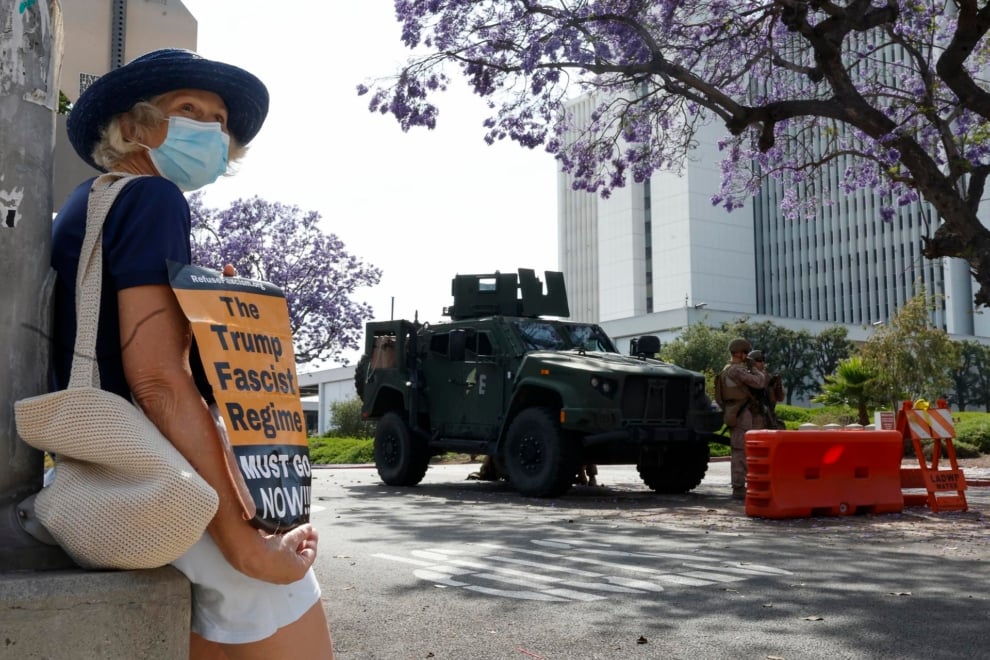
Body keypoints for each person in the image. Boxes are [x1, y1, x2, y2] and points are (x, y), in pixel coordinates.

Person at [53, 49, 334, 659]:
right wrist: (245, 542)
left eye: (219, 119)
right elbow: (155, 379)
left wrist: (214, 312)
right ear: (132, 126)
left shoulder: (88, 203)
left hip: (114, 465)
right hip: (156, 468)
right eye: (189, 110)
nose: (211, 128)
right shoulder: (153, 200)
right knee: (276, 599)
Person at [714, 338, 769, 500]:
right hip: (741, 414)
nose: (747, 356)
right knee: (741, 452)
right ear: (740, 353)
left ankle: (740, 487)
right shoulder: (736, 370)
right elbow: (760, 382)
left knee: (740, 451)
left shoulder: (726, 370)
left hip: (735, 412)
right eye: (745, 352)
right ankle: (738, 488)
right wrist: (754, 368)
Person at [747, 350, 786, 429]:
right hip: (753, 417)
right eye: (759, 360)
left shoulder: (768, 377)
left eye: (763, 360)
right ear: (751, 362)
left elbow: (780, 398)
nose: (762, 363)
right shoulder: (747, 376)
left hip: (769, 416)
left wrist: (777, 385)